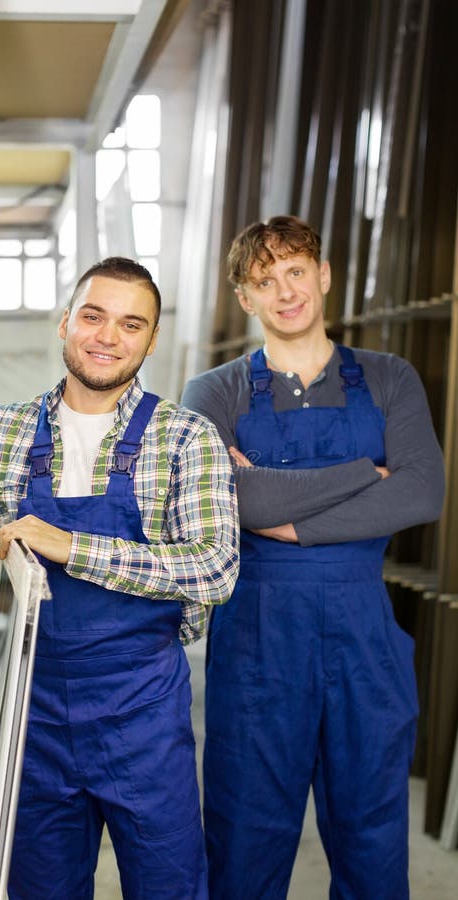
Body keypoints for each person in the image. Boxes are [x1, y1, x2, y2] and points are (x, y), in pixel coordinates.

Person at [0, 256, 240, 900]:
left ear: (151, 339)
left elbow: (215, 566)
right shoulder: (5, 431)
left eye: (131, 324)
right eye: (93, 316)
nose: (108, 336)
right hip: (36, 711)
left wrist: (70, 545)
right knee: (40, 888)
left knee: (168, 885)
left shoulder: (186, 437)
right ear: (65, 323)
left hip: (143, 710)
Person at [181, 216, 445, 900]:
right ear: (246, 298)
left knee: (372, 843)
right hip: (258, 643)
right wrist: (365, 473)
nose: (285, 292)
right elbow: (235, 504)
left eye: (296, 272)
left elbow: (422, 491)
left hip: (365, 638)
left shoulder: (389, 378)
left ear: (324, 276)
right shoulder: (213, 393)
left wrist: (285, 518)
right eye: (264, 281)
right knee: (244, 841)